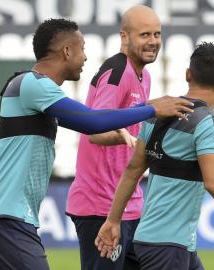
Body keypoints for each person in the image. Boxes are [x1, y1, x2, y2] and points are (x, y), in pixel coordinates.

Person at [0, 18, 193, 270]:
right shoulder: (32, 85)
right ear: (67, 51)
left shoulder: (37, 91)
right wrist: (151, 108)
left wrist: (140, 113)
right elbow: (91, 122)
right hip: (6, 219)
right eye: (82, 48)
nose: (85, 57)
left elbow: (93, 120)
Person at [94, 42, 214, 270]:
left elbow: (132, 170)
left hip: (160, 240)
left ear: (188, 74)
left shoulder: (156, 112)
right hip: (167, 247)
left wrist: (113, 220)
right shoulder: (209, 122)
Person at [65, 5, 162, 270]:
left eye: (157, 34)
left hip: (127, 205)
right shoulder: (117, 71)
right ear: (124, 37)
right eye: (144, 35)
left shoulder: (145, 76)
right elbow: (95, 130)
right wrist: (124, 137)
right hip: (101, 207)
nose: (153, 41)